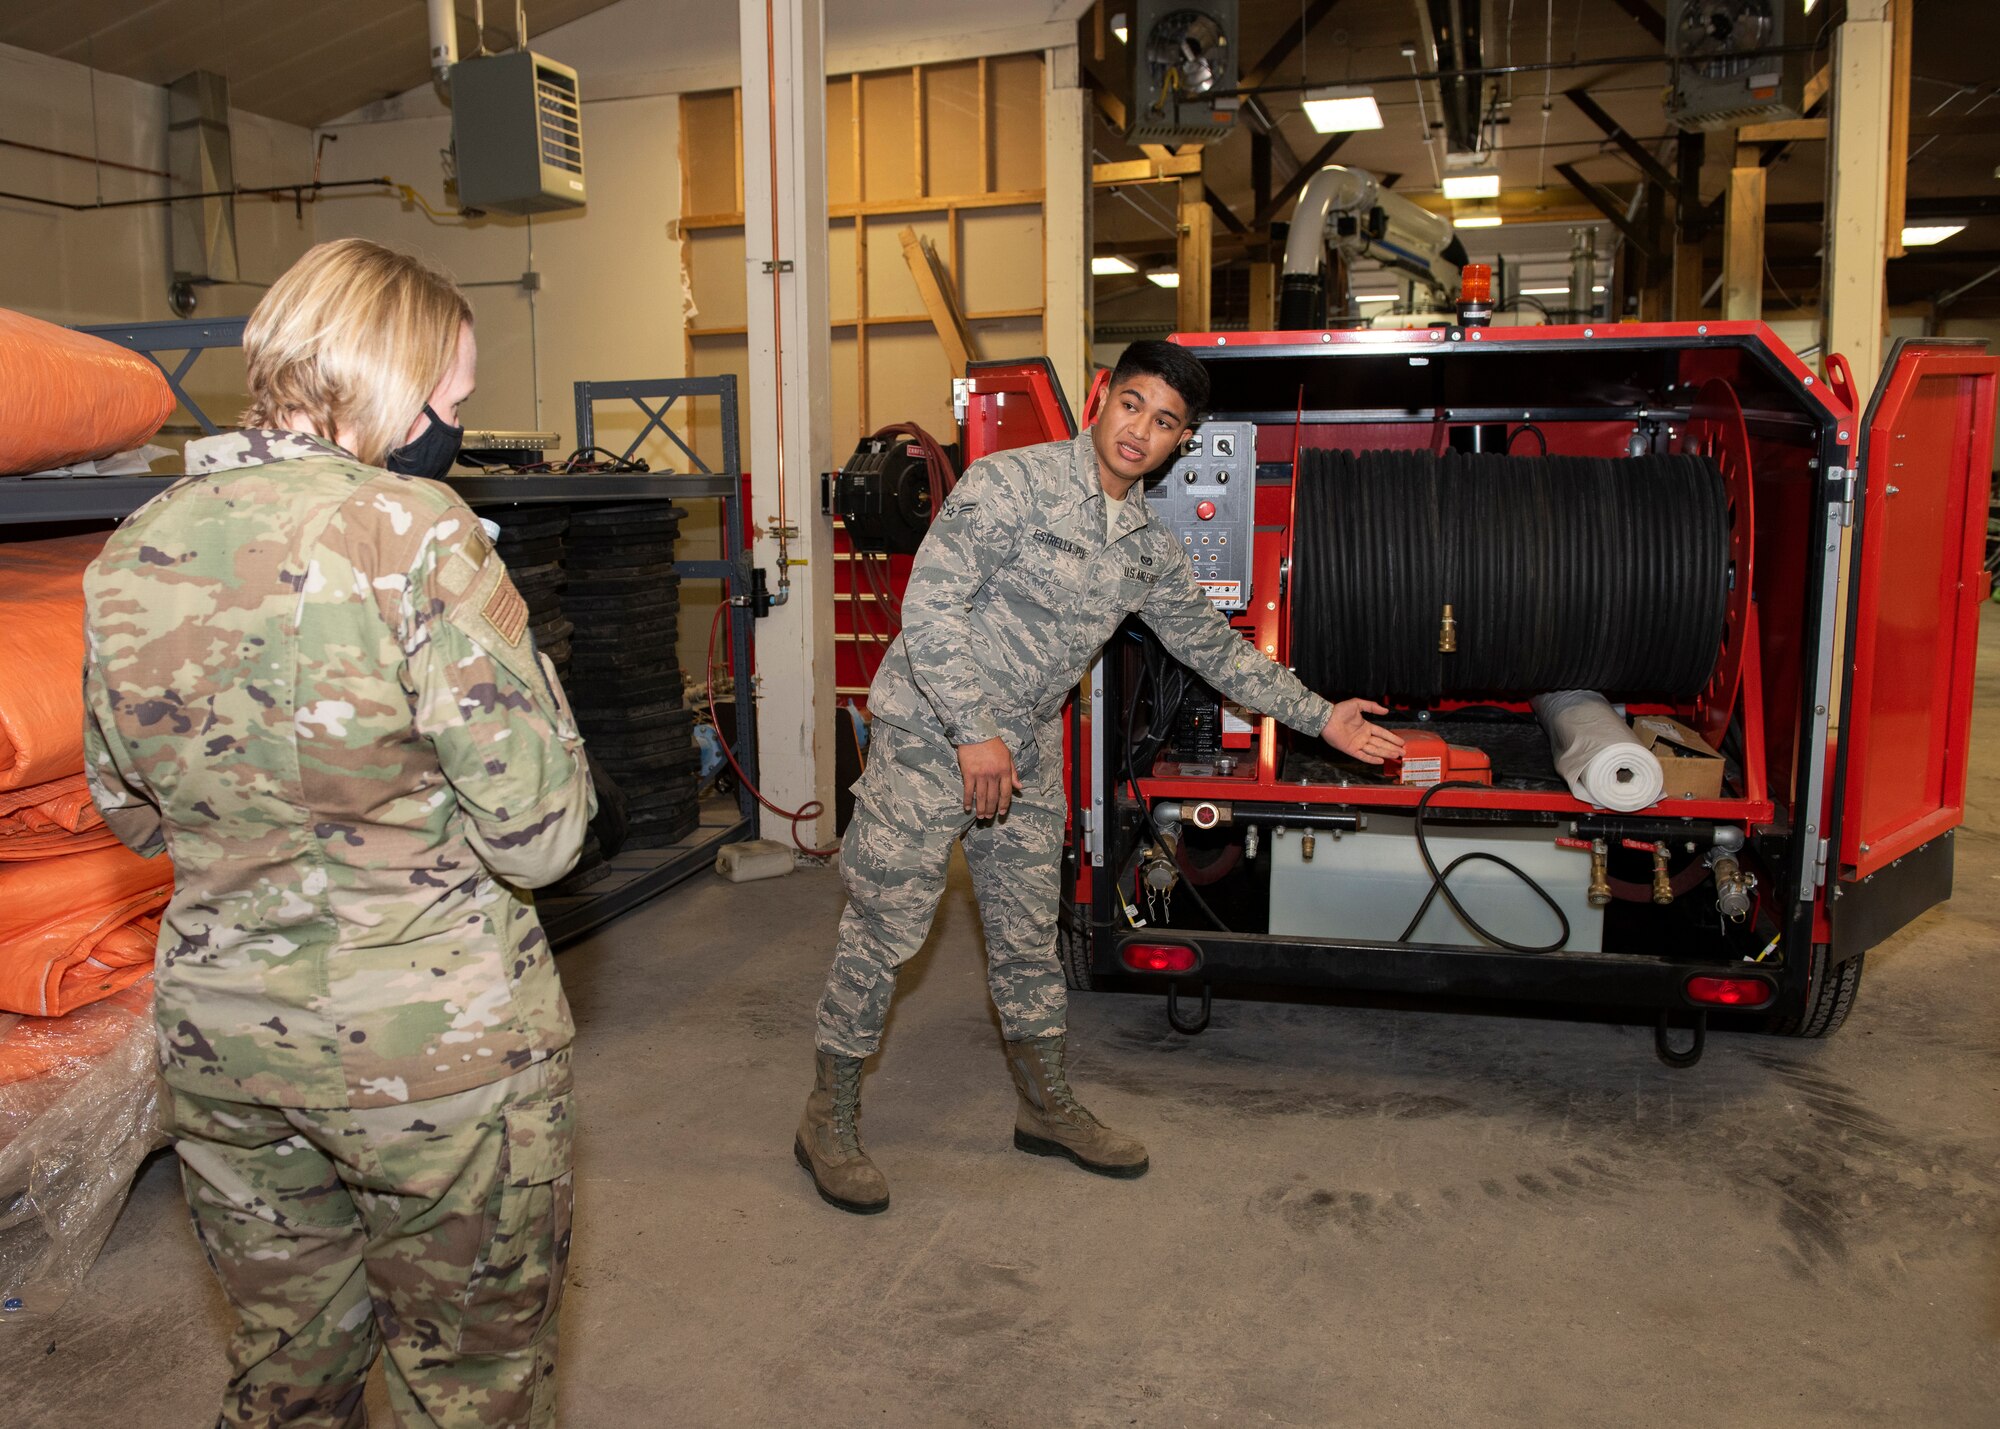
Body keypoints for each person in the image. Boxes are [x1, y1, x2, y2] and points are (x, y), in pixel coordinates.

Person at [82, 238, 594, 1427]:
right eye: (451, 400)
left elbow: (129, 812)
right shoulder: (417, 533)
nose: (453, 425)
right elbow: (538, 836)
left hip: (225, 1046)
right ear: (388, 379)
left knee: (285, 1372)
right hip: (433, 1055)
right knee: (466, 1381)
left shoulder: (134, 547)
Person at [796, 340, 1403, 1214]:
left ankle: (1045, 1106)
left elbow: (1216, 648)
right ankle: (830, 1114)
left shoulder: (1145, 548)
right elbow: (930, 600)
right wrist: (974, 730)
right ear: (1102, 401)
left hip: (1025, 752)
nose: (1140, 430)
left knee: (1026, 938)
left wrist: (1321, 715)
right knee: (887, 926)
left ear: (1180, 442)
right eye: (1133, 404)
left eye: (1165, 422)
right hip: (934, 734)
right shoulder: (1011, 483)